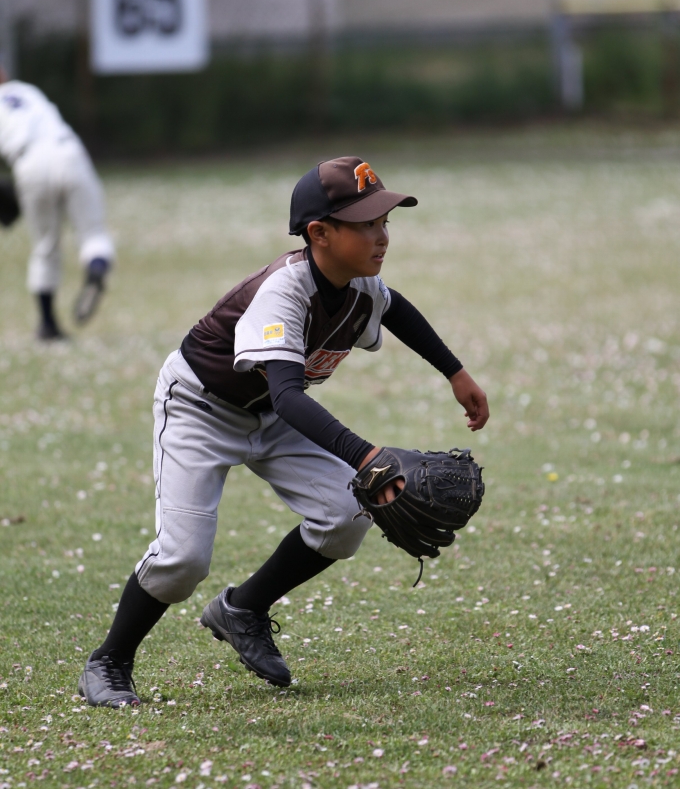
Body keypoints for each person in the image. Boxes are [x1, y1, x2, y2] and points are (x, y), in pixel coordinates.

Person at [78, 156, 490, 708]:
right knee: (182, 561)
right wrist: (366, 456)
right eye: (365, 223)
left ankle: (242, 608)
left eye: (384, 221)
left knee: (345, 516)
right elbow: (290, 396)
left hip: (271, 415)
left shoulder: (360, 284)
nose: (381, 236)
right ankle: (108, 662)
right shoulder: (284, 291)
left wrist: (454, 372)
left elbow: (395, 308)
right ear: (319, 233)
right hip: (201, 409)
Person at [0, 65, 114, 339]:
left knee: (45, 246)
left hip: (28, 162)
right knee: (93, 233)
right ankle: (96, 267)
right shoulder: (26, 90)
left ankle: (48, 325)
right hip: (68, 151)